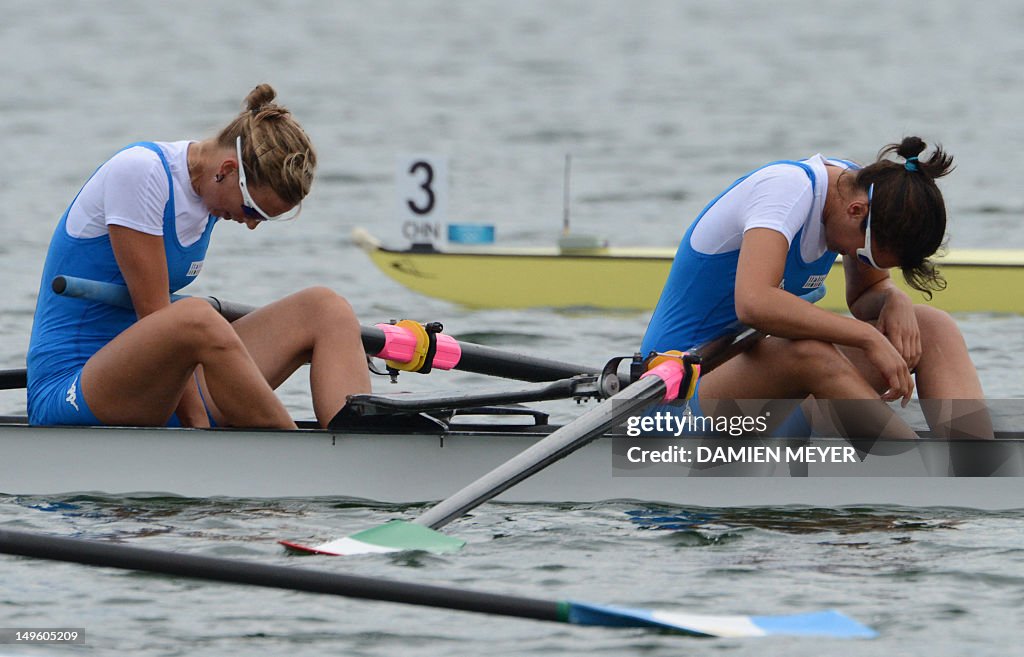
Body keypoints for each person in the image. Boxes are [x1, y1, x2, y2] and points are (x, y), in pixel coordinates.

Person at [27, 84, 370, 430]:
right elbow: (159, 322)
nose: (250, 225)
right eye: (252, 209)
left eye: (263, 219)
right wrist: (198, 430)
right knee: (194, 317)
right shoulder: (140, 173)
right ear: (227, 169)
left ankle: (357, 444)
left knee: (325, 308)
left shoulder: (210, 194)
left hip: (161, 385)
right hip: (73, 389)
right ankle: (295, 453)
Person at [641, 137, 992, 439]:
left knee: (931, 326)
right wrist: (868, 337)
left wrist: (893, 299)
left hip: (771, 403)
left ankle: (976, 465)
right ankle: (920, 474)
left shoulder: (860, 194)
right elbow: (755, 303)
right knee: (806, 351)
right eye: (864, 254)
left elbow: (864, 297)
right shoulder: (783, 191)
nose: (857, 261)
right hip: (678, 403)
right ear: (856, 211)